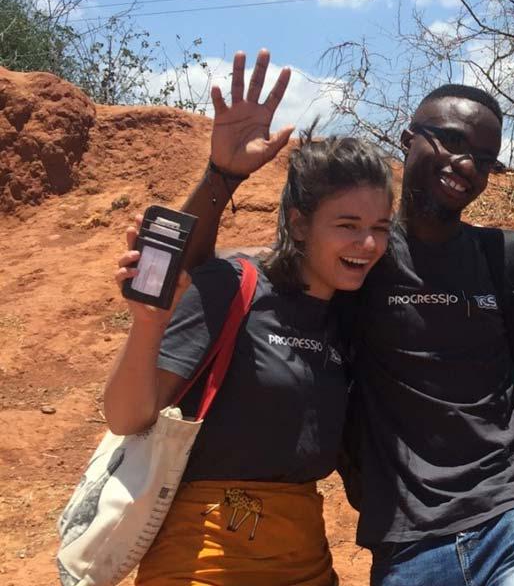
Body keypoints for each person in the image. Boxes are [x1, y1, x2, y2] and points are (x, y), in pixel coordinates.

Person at [176, 50, 514, 586]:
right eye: (451, 141)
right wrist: (220, 176)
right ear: (408, 141)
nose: (465, 165)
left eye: (483, 158)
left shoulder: (507, 257)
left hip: (513, 519)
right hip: (404, 540)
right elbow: (195, 277)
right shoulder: (355, 259)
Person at [105, 113, 394, 585]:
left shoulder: (351, 316)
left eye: (380, 227)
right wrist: (148, 324)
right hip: (203, 557)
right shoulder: (234, 285)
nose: (367, 243)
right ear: (299, 225)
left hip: (305, 561)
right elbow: (126, 416)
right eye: (347, 224)